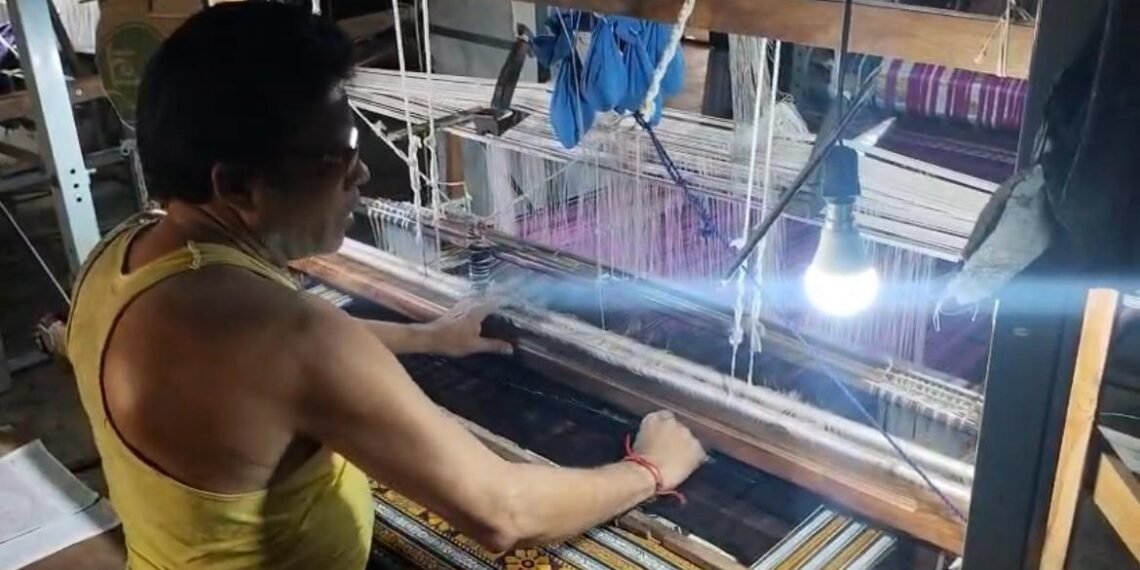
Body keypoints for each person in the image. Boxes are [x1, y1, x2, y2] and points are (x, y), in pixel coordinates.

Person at [65, 4, 706, 570]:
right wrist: (648, 470)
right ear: (235, 186)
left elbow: (249, 372)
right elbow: (502, 513)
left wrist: (426, 335)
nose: (363, 171)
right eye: (337, 155)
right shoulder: (291, 338)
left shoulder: (121, 255)